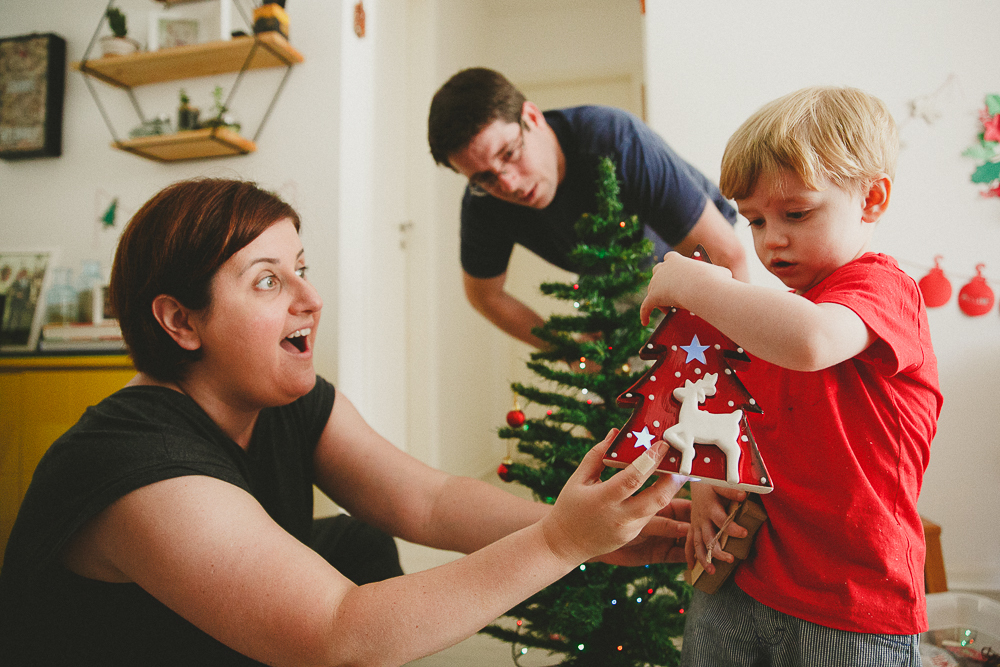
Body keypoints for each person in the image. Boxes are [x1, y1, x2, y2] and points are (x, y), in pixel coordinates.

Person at [0, 178, 691, 667]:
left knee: (356, 541)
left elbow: (429, 500)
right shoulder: (136, 468)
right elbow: (339, 630)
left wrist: (593, 533)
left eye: (301, 268)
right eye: (268, 280)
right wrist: (561, 543)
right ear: (181, 320)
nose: (312, 297)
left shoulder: (283, 398)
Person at [638, 87, 942, 666]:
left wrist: (699, 281)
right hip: (746, 575)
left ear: (871, 198)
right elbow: (736, 416)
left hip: (850, 602)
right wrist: (706, 482)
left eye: (796, 213)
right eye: (753, 220)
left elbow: (812, 341)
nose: (771, 238)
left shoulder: (879, 291)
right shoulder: (773, 315)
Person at [428, 67, 749, 349]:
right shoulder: (484, 203)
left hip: (697, 260)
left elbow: (725, 256)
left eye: (510, 153)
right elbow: (485, 296)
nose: (508, 184)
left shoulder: (616, 141)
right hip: (612, 290)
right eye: (484, 177)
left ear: (532, 117)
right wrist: (569, 351)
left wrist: (746, 364)